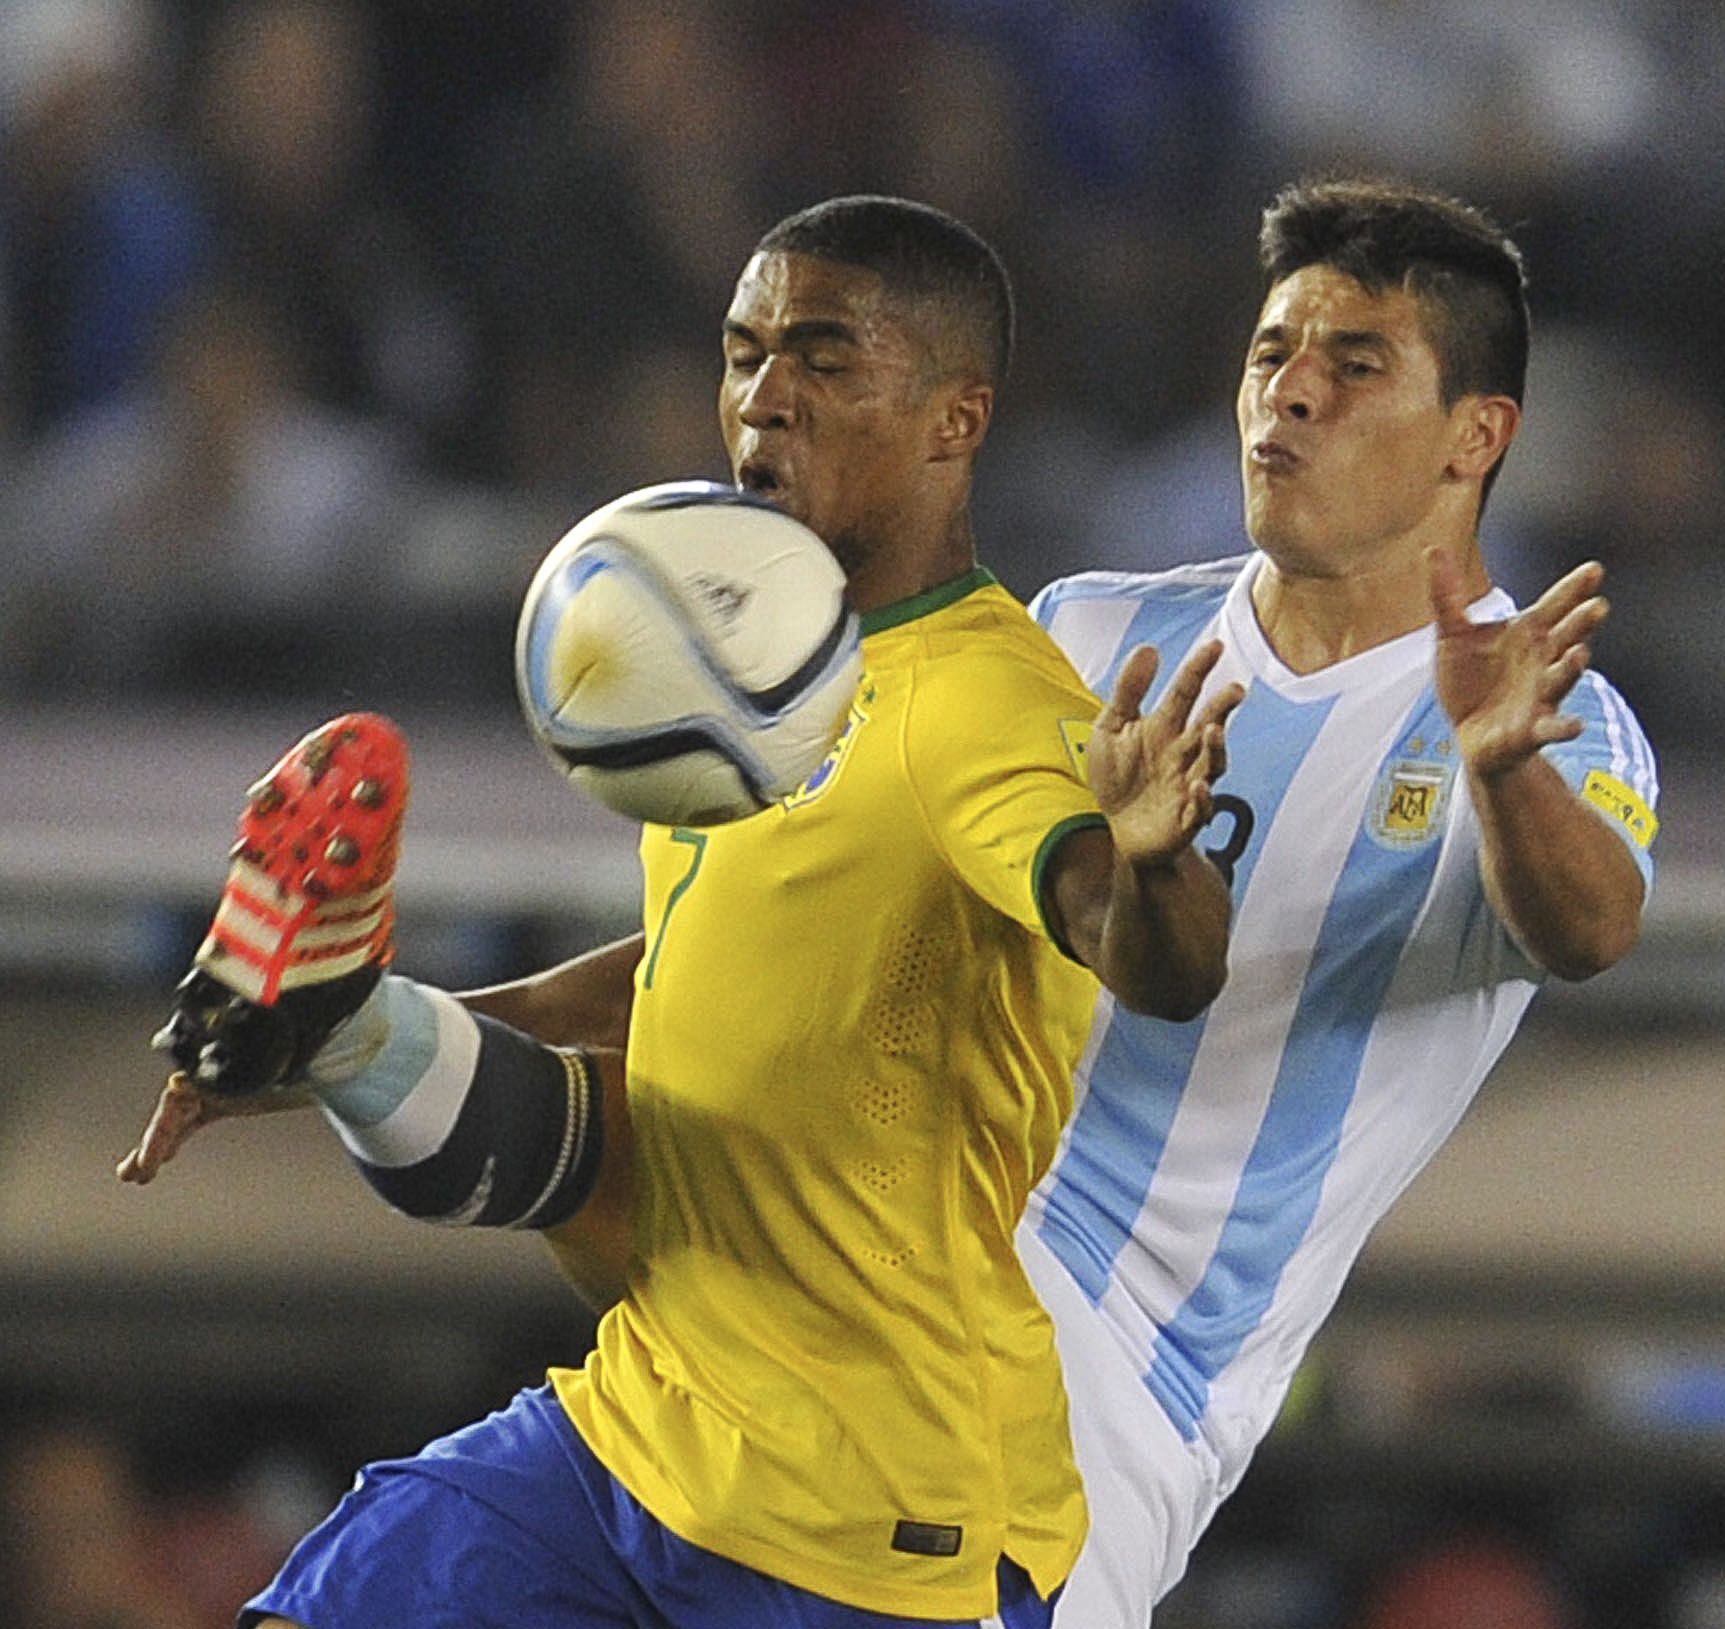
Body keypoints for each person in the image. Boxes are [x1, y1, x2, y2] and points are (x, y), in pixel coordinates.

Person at [121, 194, 1243, 1629]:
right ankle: (356, 1033)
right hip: (646, 1425)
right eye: (744, 353)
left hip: (869, 1519)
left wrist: (1152, 865)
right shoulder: (739, 664)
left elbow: (1154, 961)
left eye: (824, 359)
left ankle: (373, 1046)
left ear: (955, 419)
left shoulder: (983, 704)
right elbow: (679, 968)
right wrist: (300, 1056)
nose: (764, 397)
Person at [1013, 176, 1657, 1626]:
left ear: (1476, 435)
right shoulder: (1088, 632)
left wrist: (1499, 771)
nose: (1288, 394)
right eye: (1270, 354)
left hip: (1111, 1404)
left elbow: (1591, 930)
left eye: (1354, 365)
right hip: (898, 1266)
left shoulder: (1555, 724)